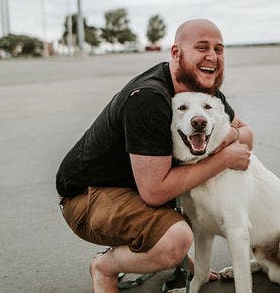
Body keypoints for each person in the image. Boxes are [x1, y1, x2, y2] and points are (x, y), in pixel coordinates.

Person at [56, 19, 253, 292]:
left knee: (189, 185)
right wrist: (224, 157)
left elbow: (246, 134)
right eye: (202, 47)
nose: (212, 56)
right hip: (88, 196)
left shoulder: (200, 88)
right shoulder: (149, 98)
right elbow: (155, 192)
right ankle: (105, 267)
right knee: (173, 240)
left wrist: (229, 135)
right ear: (176, 53)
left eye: (219, 49)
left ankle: (178, 259)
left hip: (132, 187)